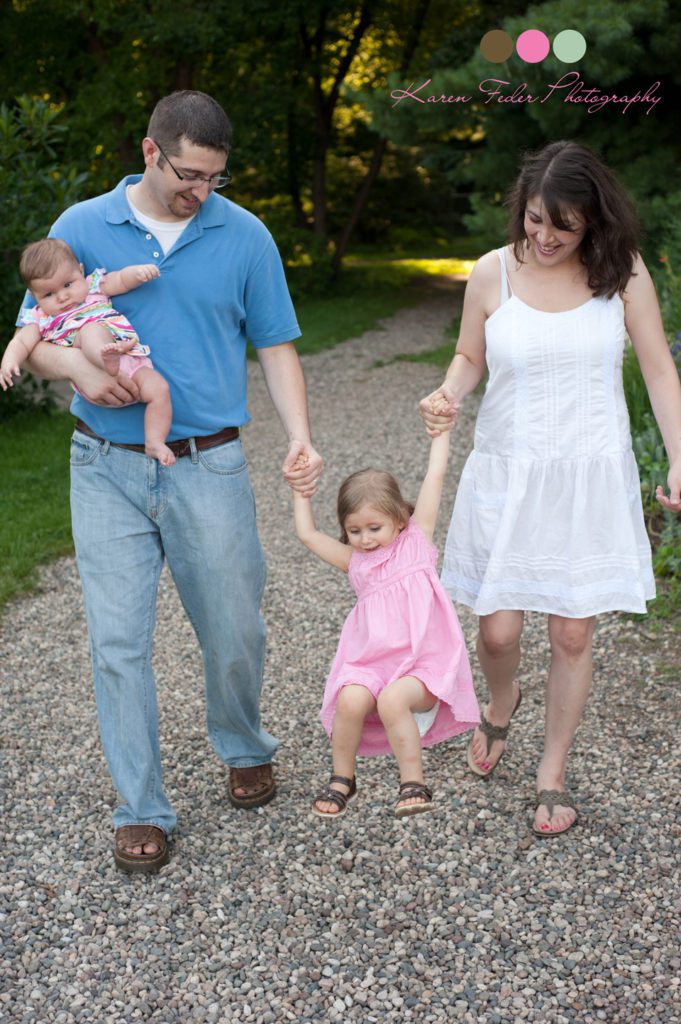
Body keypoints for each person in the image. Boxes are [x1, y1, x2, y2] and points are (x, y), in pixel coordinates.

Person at [16, 90, 322, 873]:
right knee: (117, 644)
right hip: (103, 466)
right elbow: (33, 336)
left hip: (207, 463)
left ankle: (244, 745)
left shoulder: (244, 235)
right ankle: (140, 808)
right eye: (189, 175)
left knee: (233, 628)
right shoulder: (80, 226)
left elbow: (276, 344)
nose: (202, 191)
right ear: (151, 152)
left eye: (215, 177)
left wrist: (299, 436)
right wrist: (80, 367)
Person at [419, 140, 681, 837]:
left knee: (570, 633)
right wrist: (448, 392)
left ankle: (551, 772)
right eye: (535, 219)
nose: (543, 236)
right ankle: (501, 701)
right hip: (508, 473)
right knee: (498, 629)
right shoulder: (492, 273)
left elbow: (659, 370)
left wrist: (679, 457)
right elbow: (468, 355)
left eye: (562, 226)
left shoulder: (622, 275)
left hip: (589, 478)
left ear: (593, 221)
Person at [292, 430, 480, 819]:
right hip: (371, 665)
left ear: (398, 519)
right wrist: (300, 490)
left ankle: (413, 782)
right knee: (349, 699)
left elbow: (435, 474)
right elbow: (308, 535)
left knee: (393, 699)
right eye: (354, 531)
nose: (365, 539)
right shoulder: (356, 563)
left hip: (421, 665)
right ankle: (343, 778)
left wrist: (441, 432)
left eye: (374, 528)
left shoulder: (417, 541)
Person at [3, 238, 175, 465]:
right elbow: (21, 342)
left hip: (131, 361)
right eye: (48, 294)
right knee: (91, 330)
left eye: (67, 284)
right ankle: (106, 357)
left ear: (81, 271)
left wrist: (139, 273)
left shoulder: (93, 287)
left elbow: (121, 279)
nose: (62, 297)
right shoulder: (40, 317)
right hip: (93, 370)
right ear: (35, 297)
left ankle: (154, 442)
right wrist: (9, 361)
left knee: (160, 389)